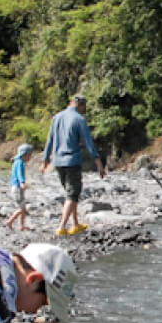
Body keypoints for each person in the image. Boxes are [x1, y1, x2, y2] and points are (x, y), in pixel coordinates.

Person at [40, 94, 106, 236]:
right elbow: (88, 142)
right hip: (72, 161)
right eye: (84, 108)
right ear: (81, 106)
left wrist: (45, 160)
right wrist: (98, 163)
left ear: (71, 103)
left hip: (57, 162)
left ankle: (75, 224)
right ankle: (62, 227)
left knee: (71, 194)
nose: (84, 110)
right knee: (72, 194)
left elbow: (49, 140)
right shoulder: (79, 119)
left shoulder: (56, 117)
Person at [3, 143, 32, 231]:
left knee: (23, 207)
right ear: (25, 154)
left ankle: (21, 226)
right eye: (30, 155)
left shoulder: (16, 162)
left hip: (15, 187)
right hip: (17, 188)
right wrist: (22, 182)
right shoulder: (20, 163)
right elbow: (19, 174)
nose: (30, 157)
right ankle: (9, 221)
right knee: (22, 209)